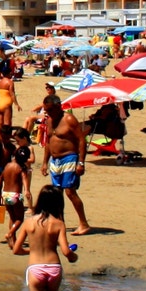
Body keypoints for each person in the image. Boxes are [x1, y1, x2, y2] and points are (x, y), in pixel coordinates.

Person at [8, 184, 79, 291]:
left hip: (36, 269)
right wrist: (73, 257)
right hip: (54, 268)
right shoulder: (58, 224)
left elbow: (16, 250)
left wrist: (31, 250)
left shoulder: (29, 223)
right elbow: (66, 251)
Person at [41, 94, 93, 234]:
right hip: (55, 161)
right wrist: (45, 162)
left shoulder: (69, 119)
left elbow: (81, 140)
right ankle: (60, 222)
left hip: (69, 158)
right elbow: (48, 142)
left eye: (50, 110)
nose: (48, 112)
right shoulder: (49, 121)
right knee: (57, 193)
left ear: (58, 106)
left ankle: (83, 223)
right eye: (46, 110)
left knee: (70, 191)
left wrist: (81, 162)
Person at [0, 145, 31, 240]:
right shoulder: (21, 168)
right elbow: (24, 179)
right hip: (15, 196)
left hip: (5, 194)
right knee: (20, 219)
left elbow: (1, 178)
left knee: (12, 218)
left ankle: (12, 241)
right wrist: (27, 190)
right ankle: (10, 233)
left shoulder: (8, 165)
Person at [0, 67, 20, 133]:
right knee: (7, 123)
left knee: (0, 123)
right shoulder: (10, 82)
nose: (11, 74)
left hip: (0, 103)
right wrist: (16, 104)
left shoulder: (0, 82)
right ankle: (6, 136)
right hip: (7, 104)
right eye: (11, 73)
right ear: (8, 73)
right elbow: (12, 94)